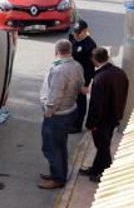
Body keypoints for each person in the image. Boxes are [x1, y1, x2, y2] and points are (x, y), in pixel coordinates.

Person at [38, 40, 84, 189]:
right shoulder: (77, 66)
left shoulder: (59, 70)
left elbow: (55, 96)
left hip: (58, 114)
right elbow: (80, 84)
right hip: (69, 110)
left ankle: (58, 178)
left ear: (57, 51)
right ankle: (58, 172)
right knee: (60, 145)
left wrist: (48, 112)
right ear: (70, 51)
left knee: (51, 147)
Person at [81, 48, 129, 182]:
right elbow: (123, 95)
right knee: (104, 145)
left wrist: (91, 123)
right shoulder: (120, 73)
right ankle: (96, 169)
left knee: (103, 147)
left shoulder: (99, 78)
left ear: (94, 60)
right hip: (114, 117)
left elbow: (96, 105)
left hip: (101, 121)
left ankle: (106, 173)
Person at [68, 20, 97, 133]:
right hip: (70, 75)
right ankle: (70, 121)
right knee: (70, 100)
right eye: (75, 32)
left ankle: (77, 125)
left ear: (85, 31)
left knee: (80, 102)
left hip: (81, 78)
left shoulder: (90, 45)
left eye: (78, 32)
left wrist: (86, 84)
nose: (76, 34)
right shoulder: (72, 39)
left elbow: (90, 67)